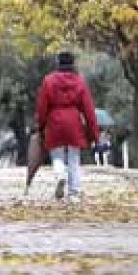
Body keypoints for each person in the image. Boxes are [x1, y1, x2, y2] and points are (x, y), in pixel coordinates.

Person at [35, 50, 98, 201]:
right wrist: (94, 133)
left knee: (56, 155)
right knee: (74, 159)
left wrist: (40, 125)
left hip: (54, 121)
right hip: (73, 121)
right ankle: (74, 193)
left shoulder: (48, 81)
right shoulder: (79, 81)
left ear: (58, 63)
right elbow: (89, 109)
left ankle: (60, 174)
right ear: (72, 63)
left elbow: (42, 106)